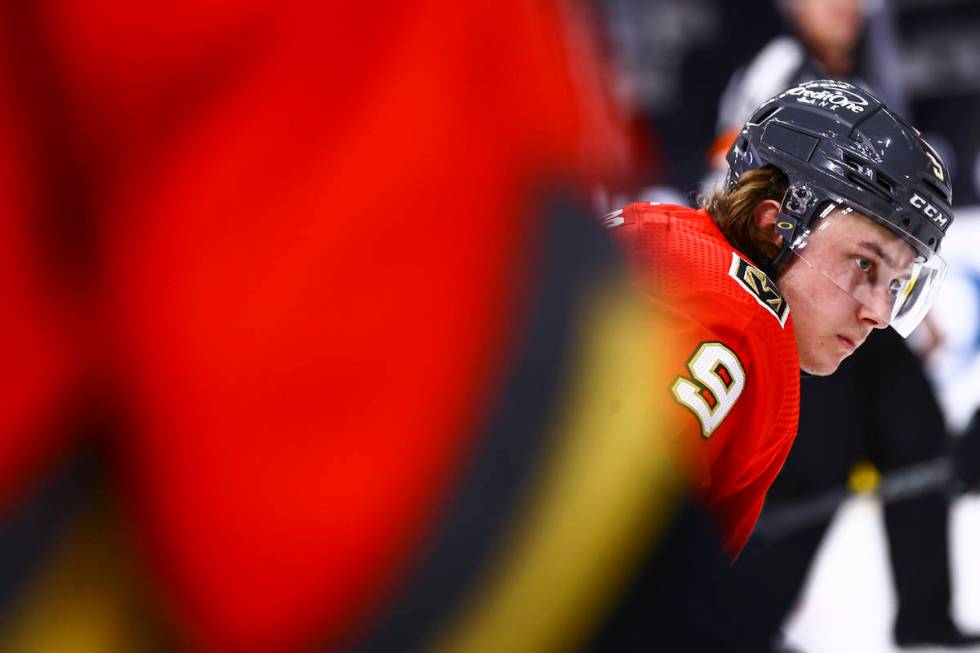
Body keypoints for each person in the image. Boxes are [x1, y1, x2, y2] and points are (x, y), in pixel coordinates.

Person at [607, 78, 955, 557]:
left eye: (896, 284)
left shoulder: (662, 228)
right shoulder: (742, 333)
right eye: (864, 264)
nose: (878, 313)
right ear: (773, 226)